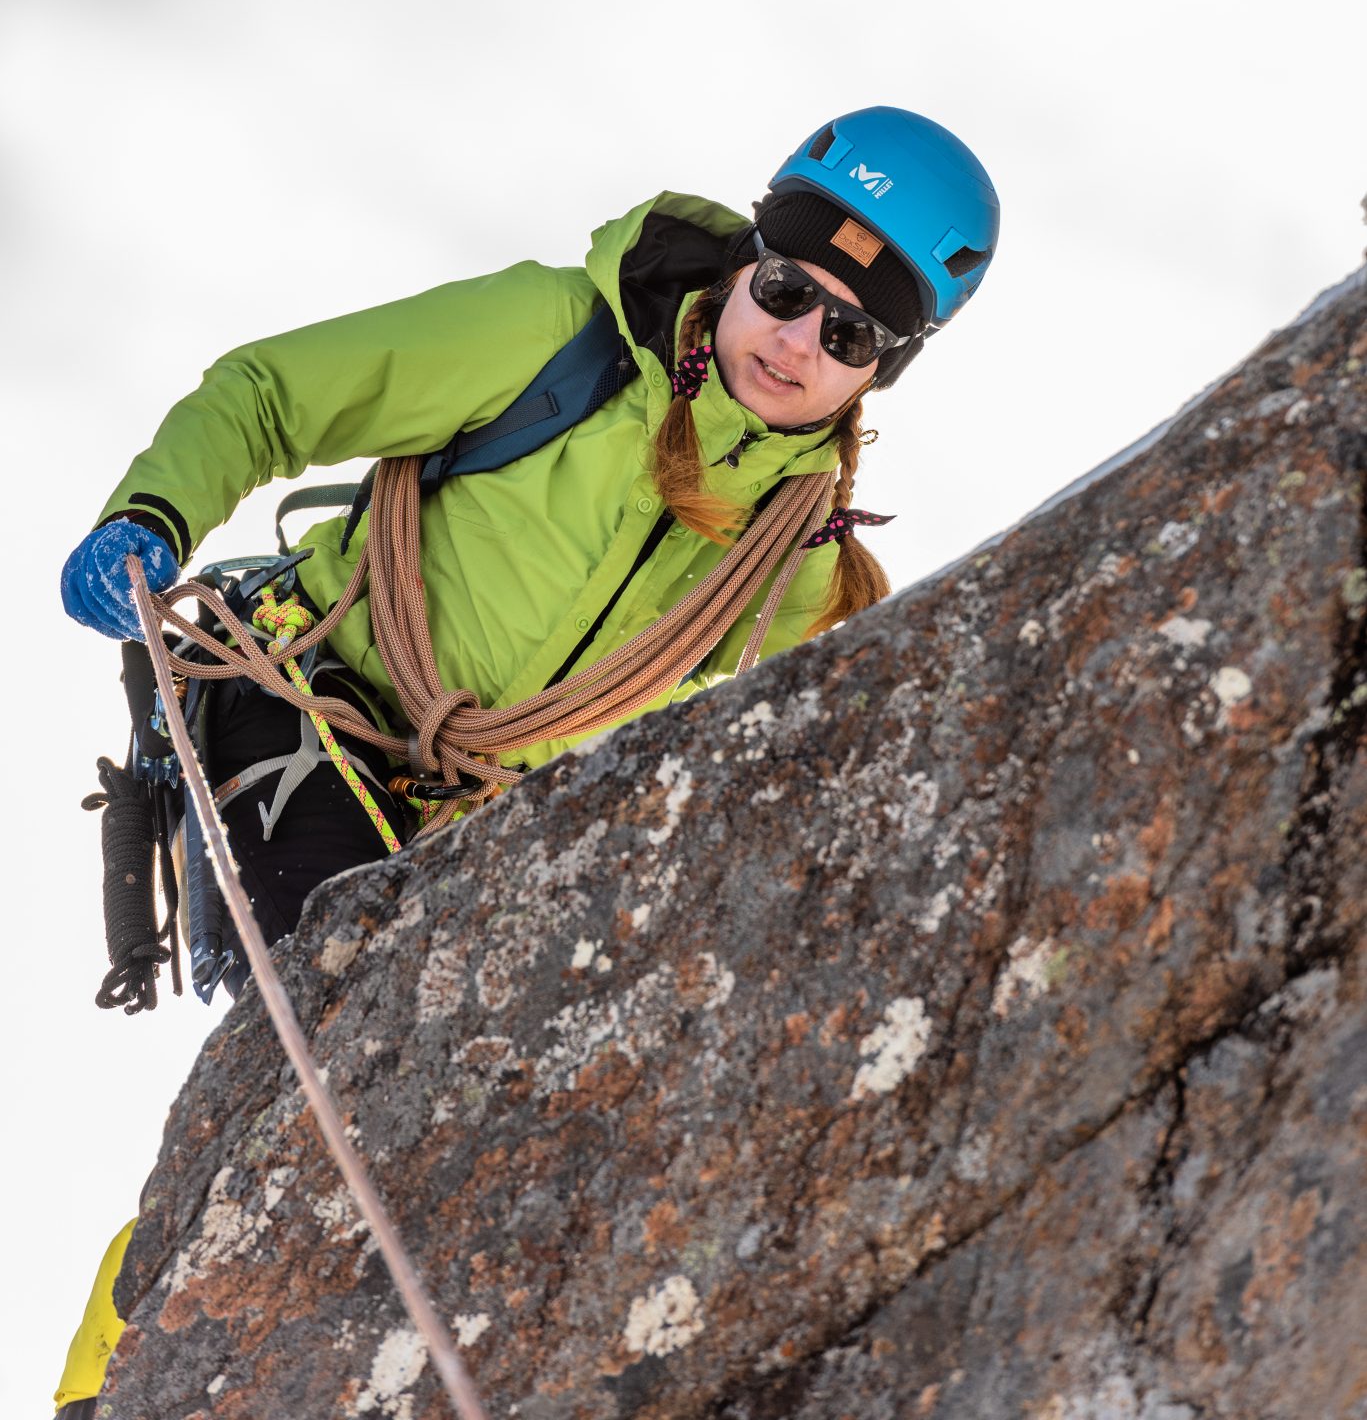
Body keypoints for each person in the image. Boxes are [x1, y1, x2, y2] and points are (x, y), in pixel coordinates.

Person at [53, 105, 999, 1414]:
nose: (797, 340)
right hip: (301, 691)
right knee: (317, 1044)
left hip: (464, 826)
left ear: (879, 372)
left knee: (416, 1116)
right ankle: (106, 1393)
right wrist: (153, 511)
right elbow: (275, 393)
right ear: (748, 260)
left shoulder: (799, 565)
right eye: (788, 290)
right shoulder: (557, 338)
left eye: (850, 333)